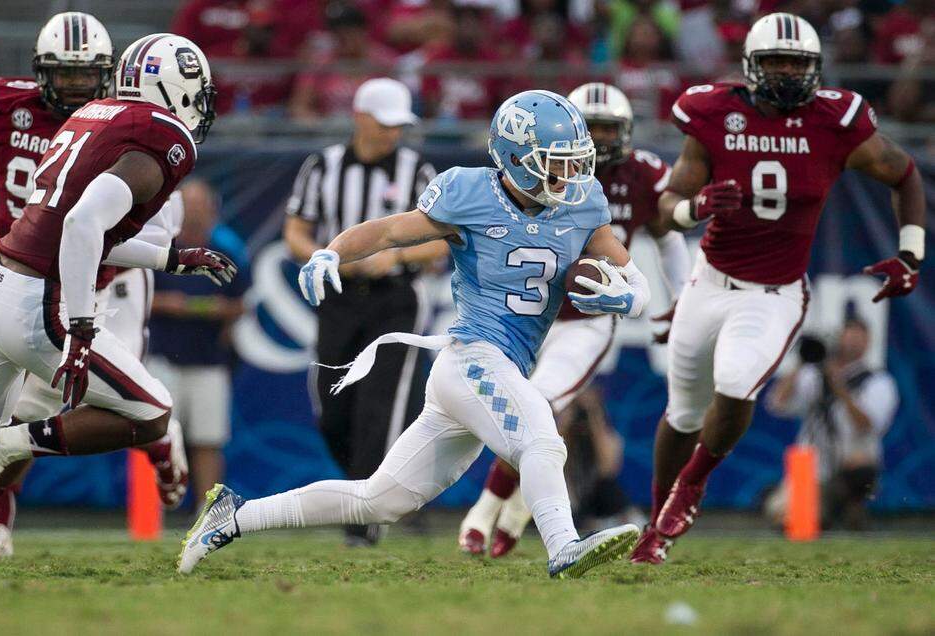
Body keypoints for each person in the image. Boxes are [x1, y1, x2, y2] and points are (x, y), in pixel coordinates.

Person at [180, 90, 651, 580]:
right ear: (517, 159)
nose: (570, 176)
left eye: (575, 163)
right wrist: (332, 253)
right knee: (541, 438)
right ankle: (563, 547)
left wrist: (626, 298)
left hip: (495, 367)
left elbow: (633, 279)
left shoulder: (581, 205)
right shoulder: (470, 194)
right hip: (474, 356)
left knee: (379, 500)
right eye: (555, 163)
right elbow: (387, 232)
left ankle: (233, 516)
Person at [0, 33, 232, 575]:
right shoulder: (163, 135)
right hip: (35, 299)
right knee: (151, 415)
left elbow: (84, 224)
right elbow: (80, 224)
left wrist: (173, 258)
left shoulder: (96, 114)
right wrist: (78, 328)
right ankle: (2, 447)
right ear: (178, 90)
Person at [632, 12, 926, 564]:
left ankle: (691, 488)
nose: (789, 73)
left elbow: (905, 173)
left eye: (798, 63)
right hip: (709, 281)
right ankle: (654, 524)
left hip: (775, 292)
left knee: (738, 382)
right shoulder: (714, 113)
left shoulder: (835, 122)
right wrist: (696, 207)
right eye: (777, 62)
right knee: (682, 414)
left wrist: (912, 252)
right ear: (751, 66)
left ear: (816, 68)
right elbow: (666, 211)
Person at [459, 82, 690, 557]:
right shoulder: (529, 175)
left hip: (586, 319)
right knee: (515, 415)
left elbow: (665, 236)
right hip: (526, 317)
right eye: (592, 128)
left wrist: (674, 303)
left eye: (610, 129)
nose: (602, 140)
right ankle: (519, 508)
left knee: (536, 405)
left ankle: (485, 510)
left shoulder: (639, 174)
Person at [283, 77, 442, 546]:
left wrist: (394, 257)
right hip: (338, 299)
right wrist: (319, 255)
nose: (393, 134)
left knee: (381, 407)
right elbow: (295, 230)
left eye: (399, 125)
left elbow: (440, 241)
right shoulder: (323, 166)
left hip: (395, 300)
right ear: (360, 117)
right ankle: (366, 490)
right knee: (333, 409)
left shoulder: (418, 169)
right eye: (385, 124)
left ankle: (362, 520)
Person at [148, 179, 251, 508]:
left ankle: (207, 511)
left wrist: (221, 311)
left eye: (200, 207)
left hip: (209, 360)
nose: (194, 215)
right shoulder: (157, 248)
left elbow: (241, 302)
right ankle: (153, 514)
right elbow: (133, 296)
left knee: (208, 440)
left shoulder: (227, 251)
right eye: (189, 207)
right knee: (158, 438)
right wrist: (167, 303)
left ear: (212, 211)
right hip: (163, 356)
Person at [766, 319, 899, 530]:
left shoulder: (878, 381)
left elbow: (867, 425)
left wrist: (840, 389)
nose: (850, 345)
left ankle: (851, 506)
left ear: (868, 343)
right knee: (782, 512)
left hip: (850, 466)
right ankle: (826, 513)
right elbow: (777, 404)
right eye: (847, 338)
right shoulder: (814, 375)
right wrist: (802, 360)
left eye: (857, 339)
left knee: (861, 471)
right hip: (815, 466)